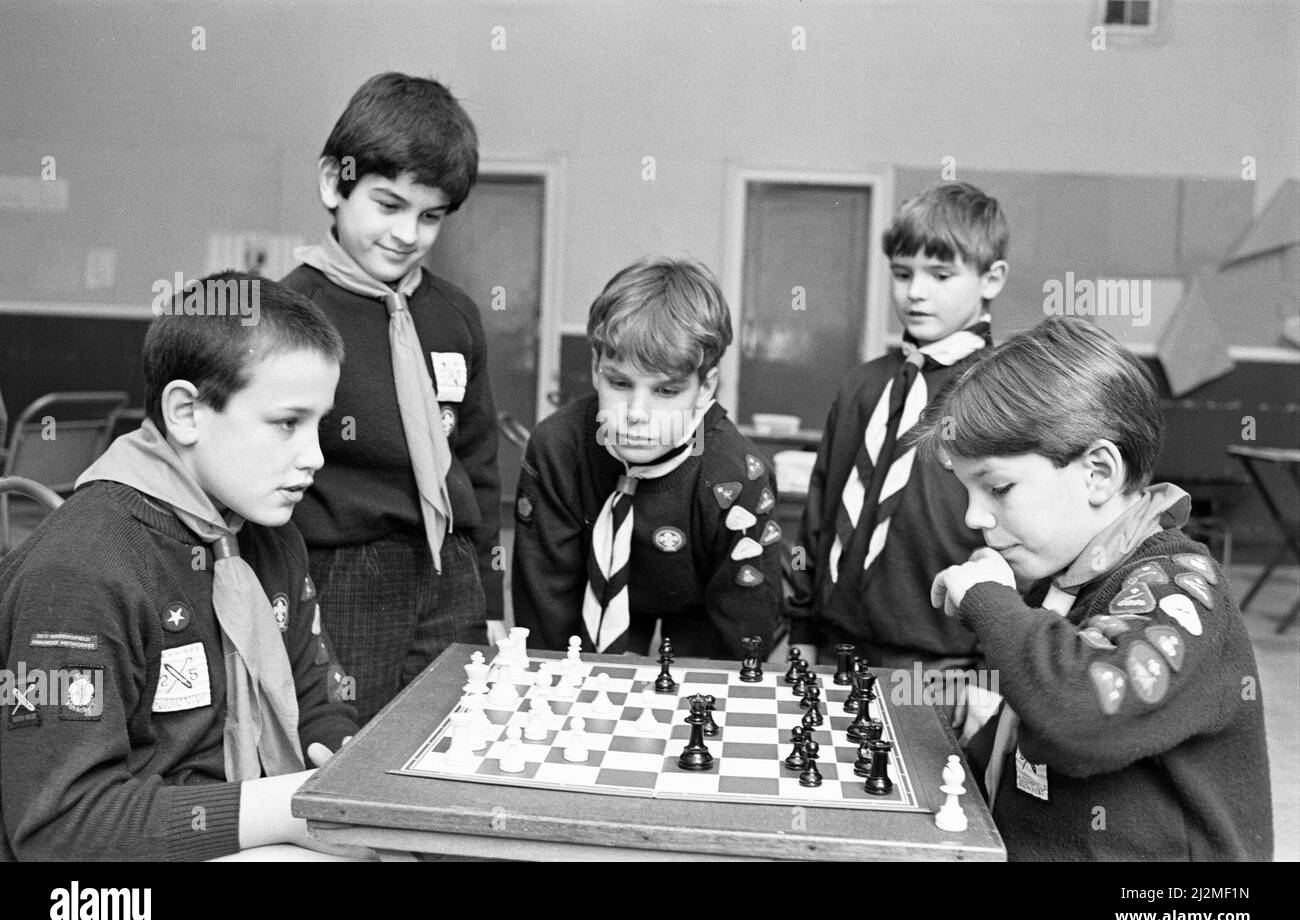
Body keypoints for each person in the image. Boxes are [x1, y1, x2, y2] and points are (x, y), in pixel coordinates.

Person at [0, 273, 362, 861]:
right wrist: (285, 808)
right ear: (187, 412)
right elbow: (59, 827)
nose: (316, 455)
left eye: (320, 422)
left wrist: (347, 771)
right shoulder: (81, 570)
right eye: (287, 422)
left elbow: (321, 697)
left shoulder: (271, 538)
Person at [921, 316, 1273, 861]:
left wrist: (990, 603)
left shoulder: (1179, 589)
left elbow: (1082, 715)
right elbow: (1034, 719)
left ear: (1098, 472)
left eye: (997, 487)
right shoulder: (1067, 582)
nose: (973, 517)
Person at [283, 72, 503, 723]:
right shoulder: (291, 316)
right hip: (340, 577)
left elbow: (480, 466)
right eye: (388, 204)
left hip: (449, 571)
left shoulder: (456, 316)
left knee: (452, 741)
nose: (408, 232)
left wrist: (485, 595)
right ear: (334, 183)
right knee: (348, 754)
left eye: (430, 216)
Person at [786, 182, 1008, 691]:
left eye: (941, 274)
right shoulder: (864, 385)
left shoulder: (1007, 393)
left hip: (945, 664)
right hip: (835, 646)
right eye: (903, 274)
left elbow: (1025, 538)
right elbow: (819, 513)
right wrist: (800, 623)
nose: (916, 292)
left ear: (991, 278)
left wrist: (994, 673)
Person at [512, 256, 782, 659]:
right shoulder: (557, 447)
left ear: (706, 386)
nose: (635, 414)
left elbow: (746, 620)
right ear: (595, 368)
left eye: (666, 392)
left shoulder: (737, 472)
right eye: (619, 383)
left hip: (698, 611)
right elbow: (543, 602)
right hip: (590, 594)